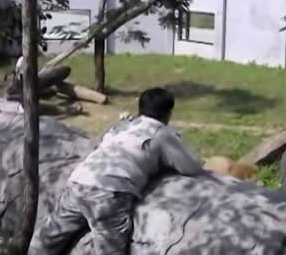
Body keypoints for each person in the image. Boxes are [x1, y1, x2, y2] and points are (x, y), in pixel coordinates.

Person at [29, 87, 204, 255]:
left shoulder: (124, 125)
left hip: (79, 182)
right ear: (168, 113)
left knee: (48, 239)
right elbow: (190, 167)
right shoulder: (161, 132)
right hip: (110, 192)